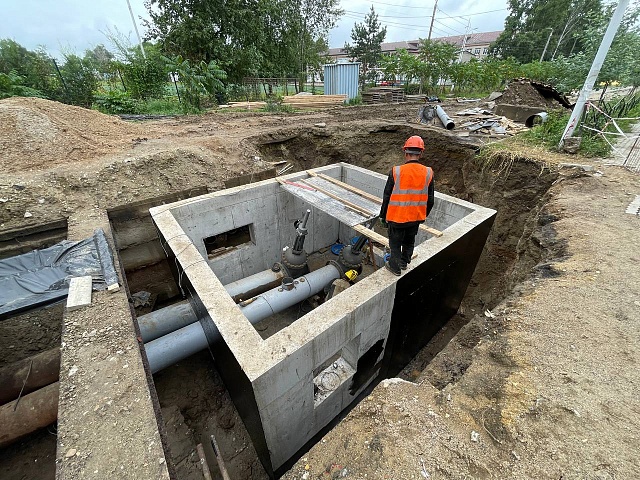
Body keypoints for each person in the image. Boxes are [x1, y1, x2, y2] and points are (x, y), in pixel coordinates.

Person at [379, 135, 434, 276]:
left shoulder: (396, 171)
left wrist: (383, 217)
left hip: (396, 218)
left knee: (395, 244)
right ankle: (404, 263)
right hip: (415, 218)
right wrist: (422, 215)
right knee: (409, 241)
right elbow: (430, 200)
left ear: (405, 152)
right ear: (421, 153)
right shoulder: (428, 172)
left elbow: (386, 196)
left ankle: (395, 268)